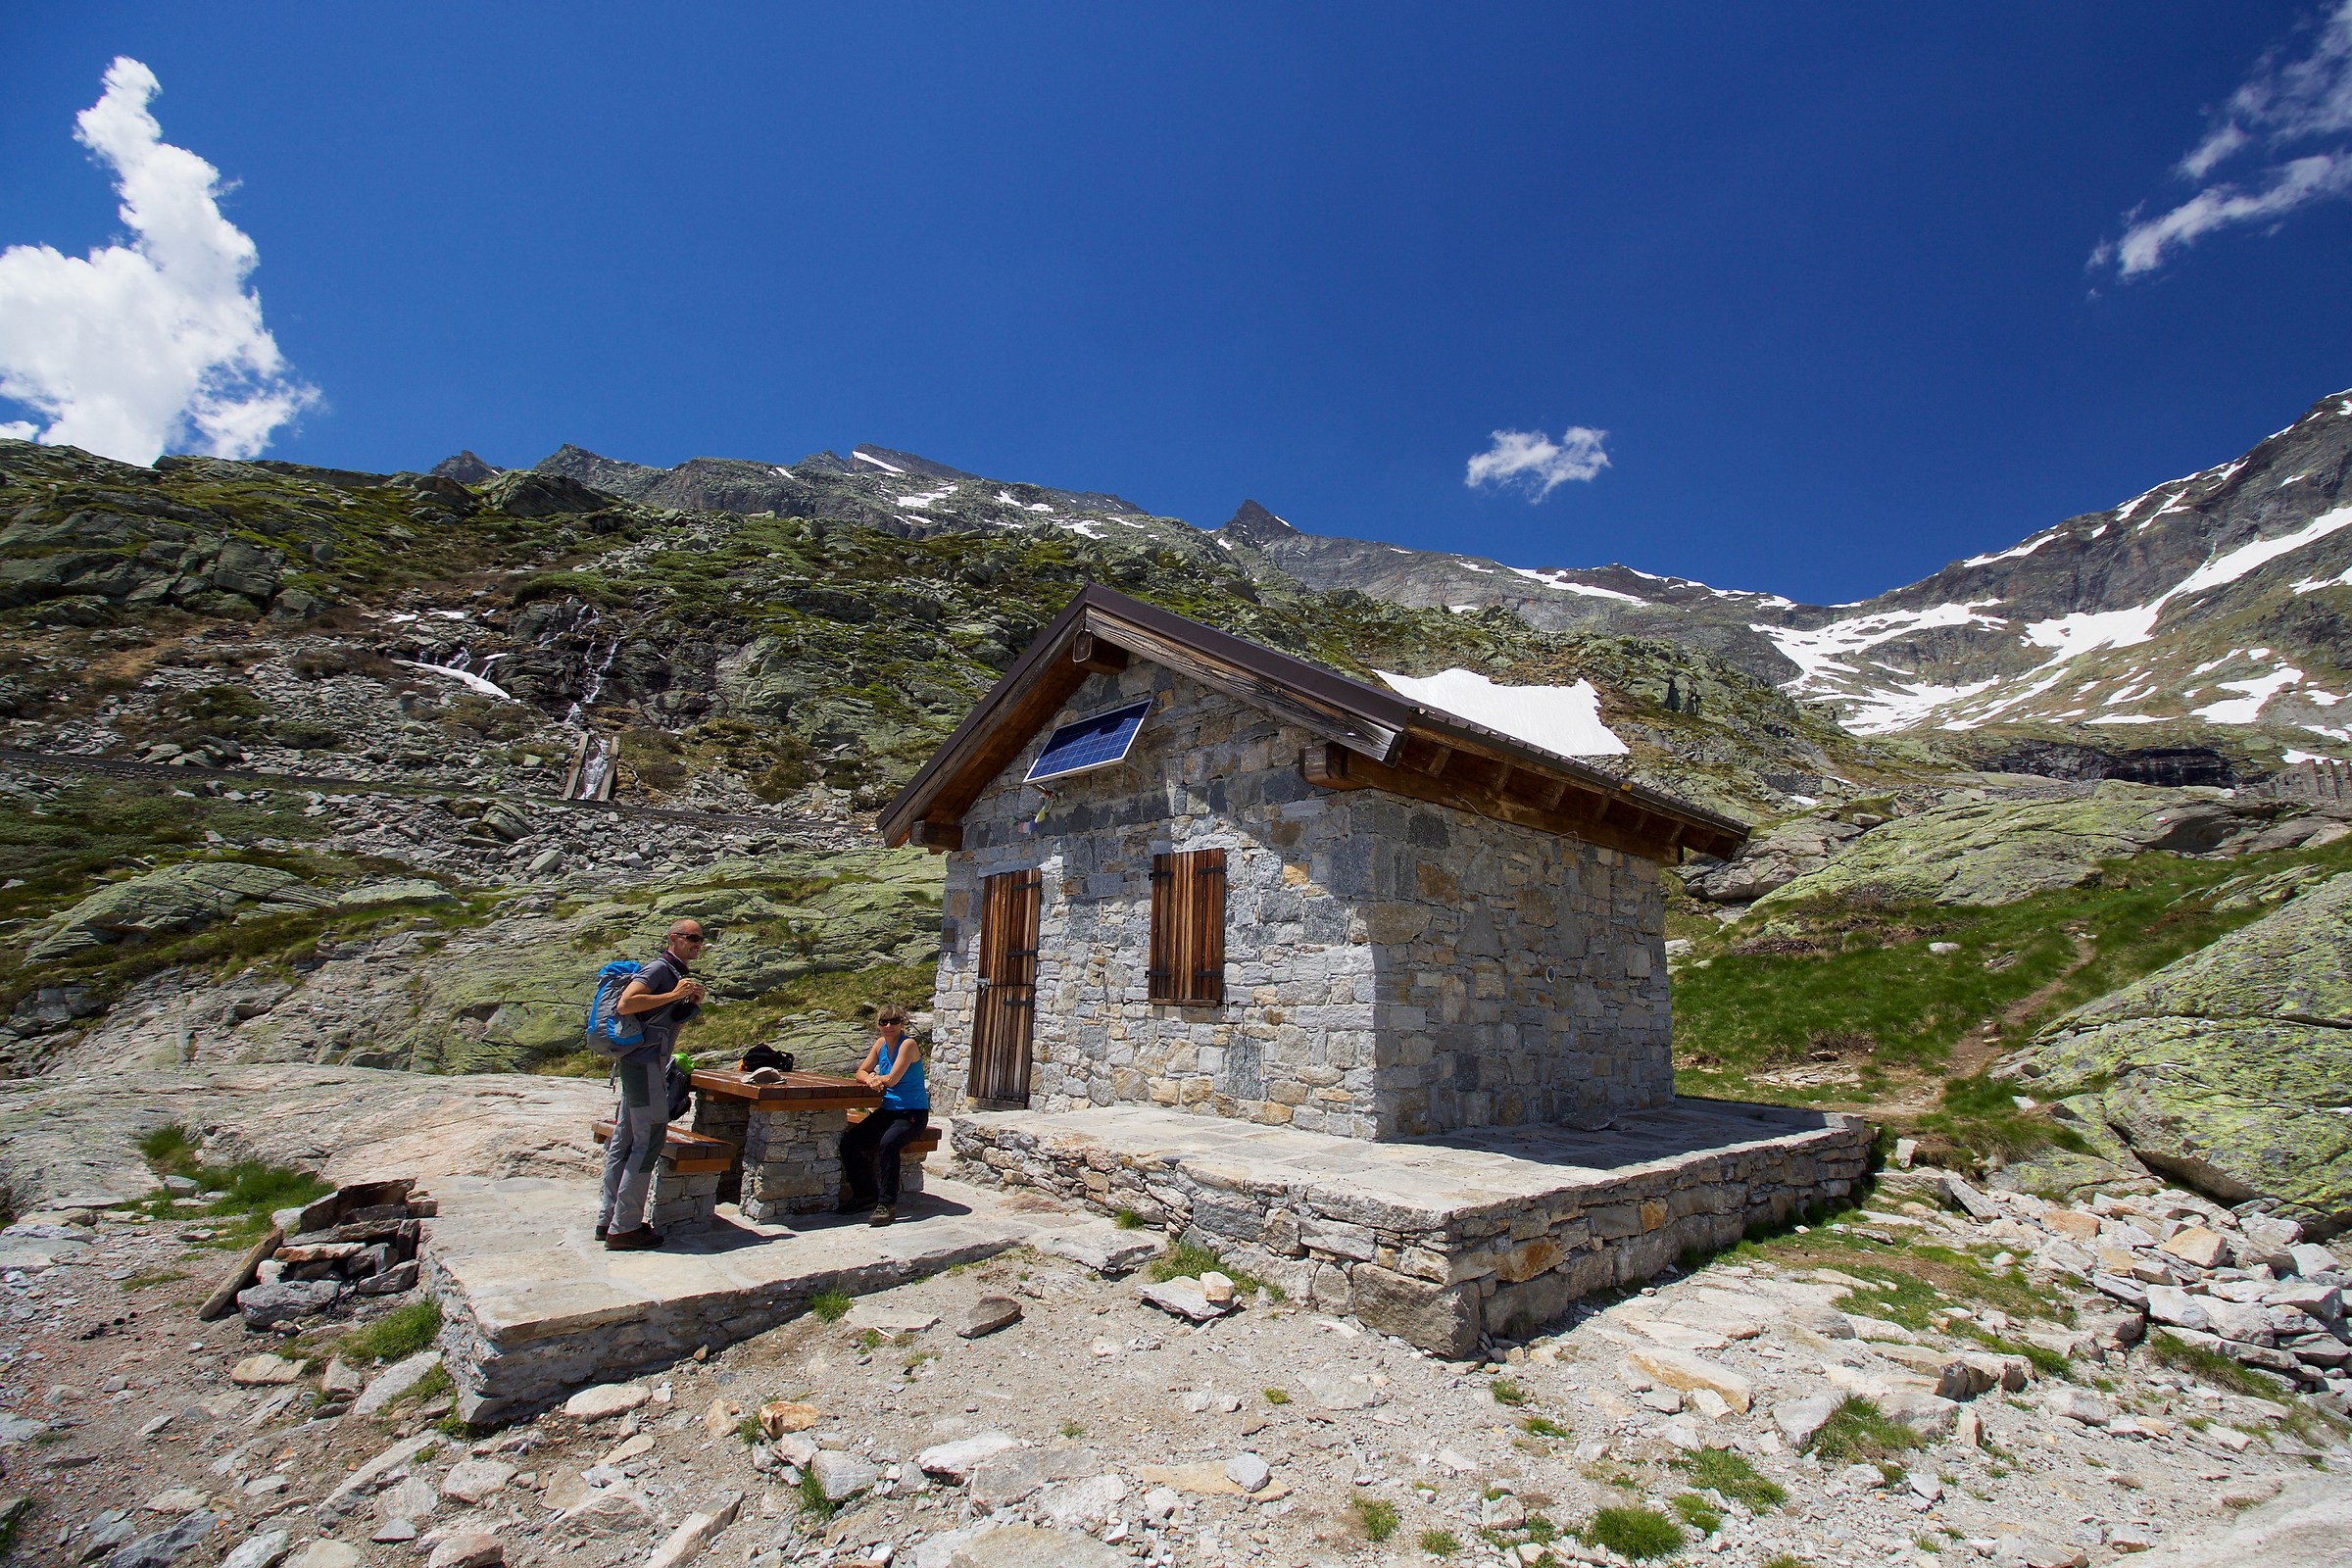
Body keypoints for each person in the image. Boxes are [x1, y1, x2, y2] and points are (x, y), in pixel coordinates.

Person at [596, 918, 708, 1250]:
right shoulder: (660, 969)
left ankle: (608, 1219)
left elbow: (661, 1020)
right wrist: (674, 994)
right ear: (673, 939)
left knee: (624, 1140)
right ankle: (625, 1227)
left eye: (701, 939)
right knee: (650, 1139)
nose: (697, 944)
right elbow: (627, 1004)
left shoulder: (672, 973)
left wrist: (690, 1005)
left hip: (641, 1064)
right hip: (644, 1065)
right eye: (691, 938)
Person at [839, 1004, 927, 1226]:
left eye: (894, 1021)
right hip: (889, 1111)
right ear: (878, 1025)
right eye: (884, 1022)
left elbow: (893, 1078)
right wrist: (869, 1079)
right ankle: (865, 1194)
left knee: (889, 1143)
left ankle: (886, 1203)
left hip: (912, 1113)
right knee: (851, 1141)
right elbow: (861, 1071)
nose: (889, 1026)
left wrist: (877, 1078)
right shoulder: (880, 1045)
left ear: (902, 1024)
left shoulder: (908, 1044)